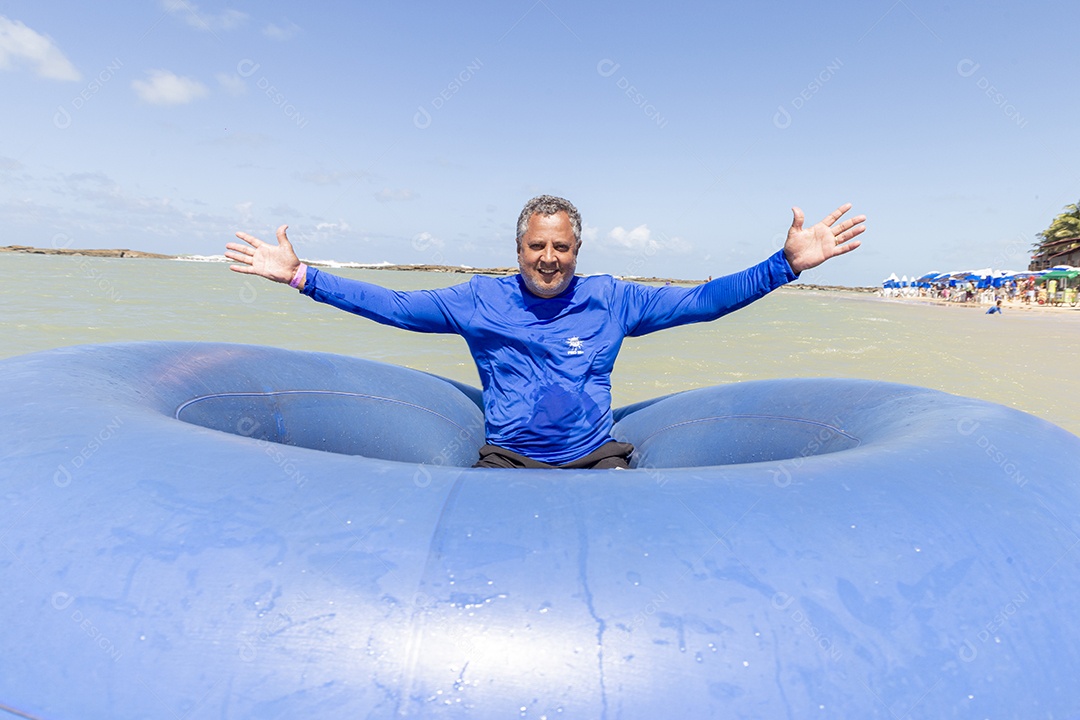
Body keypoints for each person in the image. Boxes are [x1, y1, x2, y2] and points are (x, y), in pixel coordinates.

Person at [226, 195, 865, 469]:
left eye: (562, 246)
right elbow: (394, 306)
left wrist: (785, 266)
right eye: (538, 246)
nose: (550, 258)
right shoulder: (479, 300)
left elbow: (702, 301)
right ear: (519, 246)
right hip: (507, 460)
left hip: (596, 457)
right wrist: (302, 275)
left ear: (577, 248)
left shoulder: (613, 300)